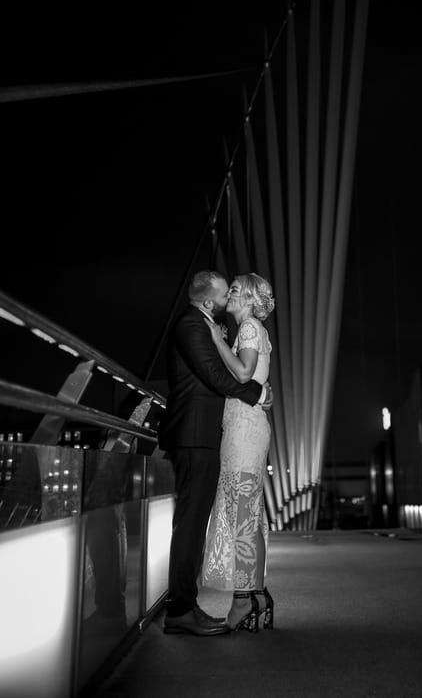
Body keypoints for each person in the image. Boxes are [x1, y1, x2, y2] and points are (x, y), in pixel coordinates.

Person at [158, 270, 271, 637]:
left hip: (216, 434)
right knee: (194, 522)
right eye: (226, 294)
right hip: (196, 435)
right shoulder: (193, 325)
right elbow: (216, 375)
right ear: (209, 302)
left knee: (225, 516)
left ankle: (228, 599)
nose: (228, 299)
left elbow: (233, 372)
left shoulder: (223, 327)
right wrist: (258, 394)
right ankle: (182, 609)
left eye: (235, 292)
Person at [202, 272, 275, 633]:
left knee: (243, 514)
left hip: (244, 430)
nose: (227, 295)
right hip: (247, 427)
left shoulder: (248, 329)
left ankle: (243, 600)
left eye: (234, 290)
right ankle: (256, 594)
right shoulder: (256, 331)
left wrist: (216, 339)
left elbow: (244, 374)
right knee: (248, 514)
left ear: (247, 299)